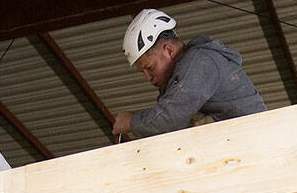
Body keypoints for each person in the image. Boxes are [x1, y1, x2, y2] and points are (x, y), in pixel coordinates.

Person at [111, 8, 267, 140]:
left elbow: (168, 119)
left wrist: (130, 121)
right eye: (143, 72)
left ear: (169, 51)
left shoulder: (200, 62)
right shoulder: (182, 76)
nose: (147, 77)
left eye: (150, 67)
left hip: (255, 140)